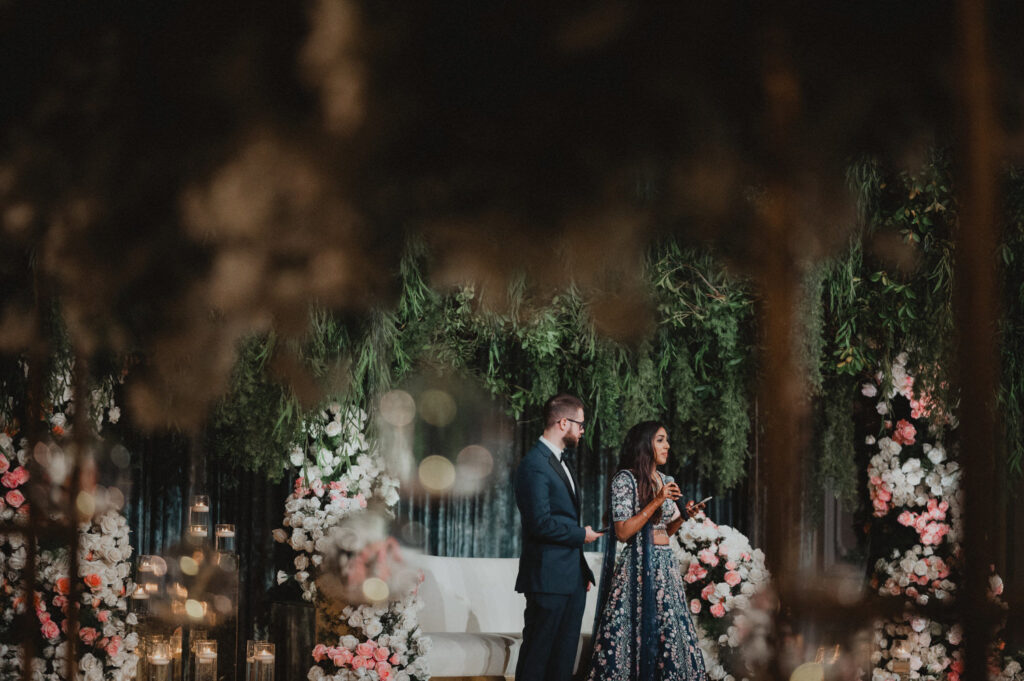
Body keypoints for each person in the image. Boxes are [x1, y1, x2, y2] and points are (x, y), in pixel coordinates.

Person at [587, 420, 708, 681]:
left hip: (666, 567)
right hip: (639, 569)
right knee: (632, 635)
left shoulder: (666, 479)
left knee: (672, 635)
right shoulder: (625, 479)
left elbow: (665, 529)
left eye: (667, 440)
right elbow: (622, 532)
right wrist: (657, 500)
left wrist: (685, 515)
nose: (668, 446)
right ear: (646, 444)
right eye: (661, 440)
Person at [515, 393, 604, 681]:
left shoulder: (559, 462)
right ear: (563, 422)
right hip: (547, 579)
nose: (582, 431)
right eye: (580, 424)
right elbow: (539, 523)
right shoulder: (534, 464)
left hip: (570, 580)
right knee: (537, 659)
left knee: (562, 663)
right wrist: (582, 534)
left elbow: (562, 517)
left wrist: (581, 571)